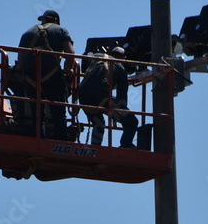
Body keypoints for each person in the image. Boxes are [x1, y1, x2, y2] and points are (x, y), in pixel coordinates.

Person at [16, 10, 75, 140]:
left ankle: (37, 137)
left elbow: (20, 62)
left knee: (36, 108)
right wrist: (69, 69)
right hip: (52, 73)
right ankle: (61, 139)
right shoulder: (61, 30)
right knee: (58, 109)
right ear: (56, 21)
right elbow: (70, 53)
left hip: (31, 75)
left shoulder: (27, 33)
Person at [76, 46, 138, 148]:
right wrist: (119, 114)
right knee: (132, 122)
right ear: (123, 58)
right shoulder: (120, 68)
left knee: (98, 122)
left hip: (83, 96)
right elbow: (122, 98)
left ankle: (95, 149)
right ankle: (126, 145)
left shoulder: (97, 57)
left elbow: (85, 62)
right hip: (101, 98)